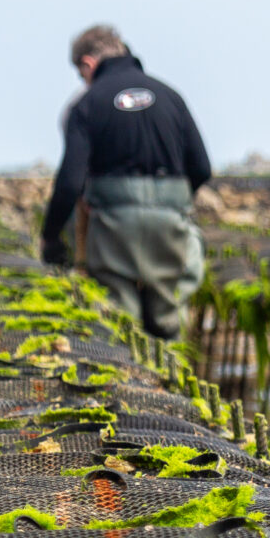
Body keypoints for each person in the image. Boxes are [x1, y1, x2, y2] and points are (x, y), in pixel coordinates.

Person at [40, 27, 213, 340]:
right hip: (170, 220)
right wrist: (169, 202)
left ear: (88, 64)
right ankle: (170, 372)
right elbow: (201, 167)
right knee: (168, 316)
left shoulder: (86, 105)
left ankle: (130, 376)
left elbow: (70, 182)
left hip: (113, 224)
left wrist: (50, 237)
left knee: (119, 319)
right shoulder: (171, 96)